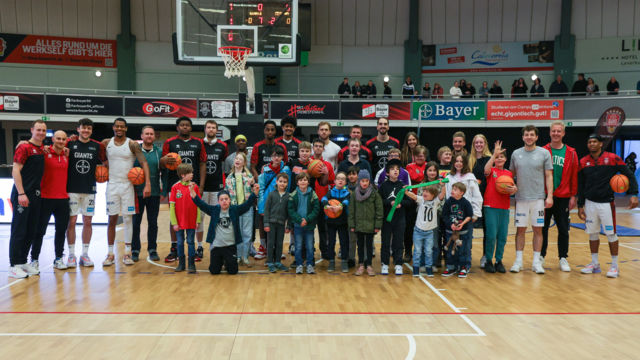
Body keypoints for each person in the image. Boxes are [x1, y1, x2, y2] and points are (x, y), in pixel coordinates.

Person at [578, 134, 638, 278]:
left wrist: (634, 194)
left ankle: (614, 266)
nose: (591, 144)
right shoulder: (583, 162)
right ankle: (595, 264)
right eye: (589, 142)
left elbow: (629, 175)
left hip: (606, 204)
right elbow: (581, 185)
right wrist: (580, 205)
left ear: (601, 144)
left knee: (611, 234)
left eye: (594, 142)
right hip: (590, 203)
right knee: (592, 234)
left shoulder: (612, 158)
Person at [102, 118, 151, 266]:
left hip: (128, 186)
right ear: (113, 127)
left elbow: (144, 163)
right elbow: (92, 150)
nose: (119, 129)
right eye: (117, 126)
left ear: (126, 129)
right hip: (112, 185)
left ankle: (127, 253)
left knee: (128, 219)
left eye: (122, 127)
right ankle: (110, 253)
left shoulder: (132, 144)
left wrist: (147, 183)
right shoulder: (105, 143)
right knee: (112, 219)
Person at [161, 116, 207, 263]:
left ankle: (196, 248)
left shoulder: (198, 143)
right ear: (177, 127)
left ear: (191, 128)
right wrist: (165, 160)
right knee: (174, 215)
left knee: (194, 214)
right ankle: (174, 248)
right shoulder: (170, 143)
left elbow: (202, 164)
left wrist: (201, 185)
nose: (185, 127)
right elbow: (162, 162)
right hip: (174, 185)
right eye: (182, 125)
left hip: (193, 186)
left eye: (187, 125)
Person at [509, 125, 554, 274]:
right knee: (520, 230)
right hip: (521, 198)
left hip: (538, 198)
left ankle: (536, 262)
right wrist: (512, 186)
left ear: (536, 137)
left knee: (538, 230)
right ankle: (518, 261)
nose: (529, 137)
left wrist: (550, 196)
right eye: (526, 134)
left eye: (531, 135)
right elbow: (510, 176)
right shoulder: (516, 154)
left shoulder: (544, 153)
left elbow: (549, 176)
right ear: (523, 137)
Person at [191, 183, 259, 275]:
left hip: (230, 247)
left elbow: (246, 205)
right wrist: (193, 193)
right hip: (216, 247)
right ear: (218, 201)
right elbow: (202, 205)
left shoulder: (234, 210)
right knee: (214, 271)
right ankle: (221, 260)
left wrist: (254, 193)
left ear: (230, 200)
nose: (224, 201)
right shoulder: (214, 210)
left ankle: (227, 261)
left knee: (233, 271)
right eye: (221, 200)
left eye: (226, 199)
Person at [66, 118, 107, 268]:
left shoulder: (97, 146)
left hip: (90, 190)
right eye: (83, 128)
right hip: (71, 189)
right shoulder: (70, 143)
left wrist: (104, 174)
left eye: (89, 128)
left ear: (91, 130)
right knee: (71, 221)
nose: (86, 131)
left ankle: (85, 254)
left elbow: (106, 163)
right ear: (78, 129)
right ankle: (71, 255)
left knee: (87, 221)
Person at [9, 120, 47, 278]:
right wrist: (21, 193)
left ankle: (23, 261)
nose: (41, 133)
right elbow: (15, 170)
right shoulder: (24, 147)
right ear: (32, 130)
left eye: (43, 130)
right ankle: (14, 264)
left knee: (31, 229)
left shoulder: (42, 149)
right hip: (22, 194)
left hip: (36, 195)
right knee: (19, 229)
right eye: (38, 130)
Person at [541, 121, 579, 271]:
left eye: (559, 131)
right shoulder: (542, 151)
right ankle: (541, 256)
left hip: (563, 196)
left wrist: (573, 195)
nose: (556, 134)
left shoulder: (571, 152)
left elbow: (574, 176)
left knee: (563, 229)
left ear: (563, 133)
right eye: (553, 131)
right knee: (542, 228)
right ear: (550, 133)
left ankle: (563, 257)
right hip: (544, 196)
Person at [31, 130, 69, 271]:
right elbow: (31, 146)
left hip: (63, 199)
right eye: (58, 138)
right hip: (45, 198)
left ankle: (58, 259)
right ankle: (34, 260)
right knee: (39, 231)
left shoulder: (67, 155)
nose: (60, 141)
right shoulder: (44, 152)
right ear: (53, 139)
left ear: (66, 141)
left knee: (60, 231)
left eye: (63, 139)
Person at [482, 141, 517, 273]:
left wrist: (515, 189)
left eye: (501, 156)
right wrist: (493, 155)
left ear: (506, 159)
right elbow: (485, 169)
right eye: (497, 157)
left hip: (504, 207)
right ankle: (488, 260)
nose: (499, 158)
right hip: (490, 206)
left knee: (502, 236)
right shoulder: (491, 170)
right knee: (491, 235)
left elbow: (513, 188)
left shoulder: (509, 174)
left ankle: (499, 260)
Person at [444, 154, 483, 269]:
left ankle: (464, 266)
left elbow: (477, 196)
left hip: (466, 216)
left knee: (465, 243)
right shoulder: (449, 177)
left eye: (461, 161)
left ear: (465, 163)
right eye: (456, 161)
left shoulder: (470, 177)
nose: (459, 163)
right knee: (452, 241)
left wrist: (475, 213)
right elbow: (447, 195)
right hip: (453, 216)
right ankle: (452, 265)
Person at [132, 126, 164, 262]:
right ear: (142, 136)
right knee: (135, 223)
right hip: (136, 193)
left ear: (154, 136)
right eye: (147, 134)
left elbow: (164, 172)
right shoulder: (134, 151)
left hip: (155, 192)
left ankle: (152, 249)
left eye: (151, 134)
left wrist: (165, 189)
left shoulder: (159, 152)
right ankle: (135, 250)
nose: (149, 136)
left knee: (153, 223)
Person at [198, 120, 229, 260]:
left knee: (217, 218)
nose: (211, 129)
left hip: (217, 188)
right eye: (209, 127)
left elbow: (223, 163)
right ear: (205, 129)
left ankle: (216, 245)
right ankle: (199, 246)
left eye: (213, 128)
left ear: (217, 130)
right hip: (201, 188)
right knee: (200, 219)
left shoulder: (223, 146)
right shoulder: (199, 144)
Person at [257, 146, 291, 260]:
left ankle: (277, 252)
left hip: (280, 203)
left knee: (279, 228)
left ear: (282, 157)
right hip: (267, 203)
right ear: (271, 156)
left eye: (279, 156)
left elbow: (288, 188)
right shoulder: (265, 169)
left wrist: (286, 203)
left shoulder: (286, 170)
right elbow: (261, 189)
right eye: (274, 155)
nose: (277, 158)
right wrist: (261, 208)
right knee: (266, 228)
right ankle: (265, 249)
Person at [378, 159, 411, 276]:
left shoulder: (403, 186)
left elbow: (410, 201)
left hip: (400, 218)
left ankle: (398, 264)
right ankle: (385, 264)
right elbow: (379, 200)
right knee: (385, 241)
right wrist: (389, 203)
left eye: (397, 169)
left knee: (398, 242)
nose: (395, 171)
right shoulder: (383, 186)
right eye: (392, 169)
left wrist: (401, 204)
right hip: (387, 219)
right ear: (387, 173)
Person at [349, 169, 383, 276]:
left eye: (366, 181)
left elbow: (379, 210)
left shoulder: (374, 194)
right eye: (362, 181)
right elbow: (351, 211)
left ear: (369, 181)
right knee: (360, 245)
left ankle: (369, 265)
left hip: (370, 226)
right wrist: (352, 225)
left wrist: (377, 225)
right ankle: (361, 265)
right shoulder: (354, 194)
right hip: (358, 225)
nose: (364, 183)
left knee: (369, 246)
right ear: (359, 181)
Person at [406, 184, 444, 277]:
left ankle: (429, 269)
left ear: (433, 195)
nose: (424, 193)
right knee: (417, 251)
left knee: (428, 251)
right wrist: (406, 191)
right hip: (418, 231)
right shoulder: (421, 200)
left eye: (427, 192)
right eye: (424, 191)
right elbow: (413, 196)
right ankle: (416, 269)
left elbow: (443, 193)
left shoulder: (436, 202)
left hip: (429, 232)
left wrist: (443, 185)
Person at [169, 163, 201, 273]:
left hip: (191, 221)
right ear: (183, 175)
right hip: (179, 222)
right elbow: (172, 206)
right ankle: (181, 264)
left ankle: (191, 265)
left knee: (191, 242)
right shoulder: (175, 187)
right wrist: (174, 222)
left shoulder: (194, 187)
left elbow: (198, 205)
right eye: (190, 173)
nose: (192, 174)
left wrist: (198, 220)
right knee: (180, 242)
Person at [225, 152, 255, 267]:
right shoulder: (229, 178)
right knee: (236, 233)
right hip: (234, 209)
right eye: (236, 158)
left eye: (240, 159)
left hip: (247, 208)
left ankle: (245, 256)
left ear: (244, 163)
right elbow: (226, 194)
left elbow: (254, 191)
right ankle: (237, 256)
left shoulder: (249, 177)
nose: (237, 160)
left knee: (247, 233)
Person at [288, 172, 320, 274]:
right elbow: (291, 210)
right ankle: (299, 265)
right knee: (298, 246)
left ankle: (310, 264)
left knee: (310, 246)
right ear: (297, 182)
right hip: (298, 226)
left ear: (308, 182)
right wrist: (299, 220)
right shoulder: (293, 195)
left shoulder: (313, 194)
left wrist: (307, 219)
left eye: (305, 180)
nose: (303, 182)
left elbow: (316, 209)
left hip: (309, 225)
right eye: (301, 180)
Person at [441, 182, 474, 278]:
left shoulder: (466, 203)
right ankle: (451, 267)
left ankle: (463, 267)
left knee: (463, 250)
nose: (452, 191)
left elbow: (469, 216)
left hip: (463, 232)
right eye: (452, 189)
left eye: (455, 190)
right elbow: (444, 215)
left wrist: (462, 224)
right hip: (450, 232)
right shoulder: (448, 202)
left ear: (462, 192)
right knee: (450, 249)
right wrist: (450, 224)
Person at [469, 134, 492, 268]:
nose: (478, 145)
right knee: (469, 228)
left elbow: (487, 175)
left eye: (481, 142)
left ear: (485, 144)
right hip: (471, 199)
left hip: (486, 198)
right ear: (473, 145)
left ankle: (485, 256)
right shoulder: (469, 160)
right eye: (476, 142)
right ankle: (467, 254)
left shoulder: (489, 159)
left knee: (487, 230)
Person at [311, 139, 335, 261]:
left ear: (323, 149)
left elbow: (332, 183)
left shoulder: (328, 165)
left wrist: (325, 173)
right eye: (316, 146)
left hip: (322, 201)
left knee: (323, 228)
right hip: (309, 201)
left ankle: (325, 251)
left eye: (321, 146)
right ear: (313, 148)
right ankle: (309, 251)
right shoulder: (308, 163)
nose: (318, 148)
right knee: (310, 228)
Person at [322, 171, 351, 272]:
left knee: (344, 242)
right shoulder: (330, 192)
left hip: (343, 222)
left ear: (345, 182)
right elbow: (323, 199)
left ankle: (344, 262)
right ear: (334, 181)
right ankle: (331, 262)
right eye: (338, 178)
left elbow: (346, 202)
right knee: (331, 242)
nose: (340, 180)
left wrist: (340, 206)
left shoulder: (347, 193)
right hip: (331, 222)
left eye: (343, 179)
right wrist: (328, 206)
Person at [263, 173, 290, 273]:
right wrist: (266, 223)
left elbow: (289, 212)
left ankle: (278, 262)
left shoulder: (288, 196)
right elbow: (266, 210)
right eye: (280, 181)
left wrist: (289, 225)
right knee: (270, 243)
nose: (282, 183)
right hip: (271, 223)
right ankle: (270, 262)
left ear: (287, 183)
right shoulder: (271, 194)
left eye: (284, 182)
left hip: (281, 224)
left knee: (279, 243)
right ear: (277, 182)